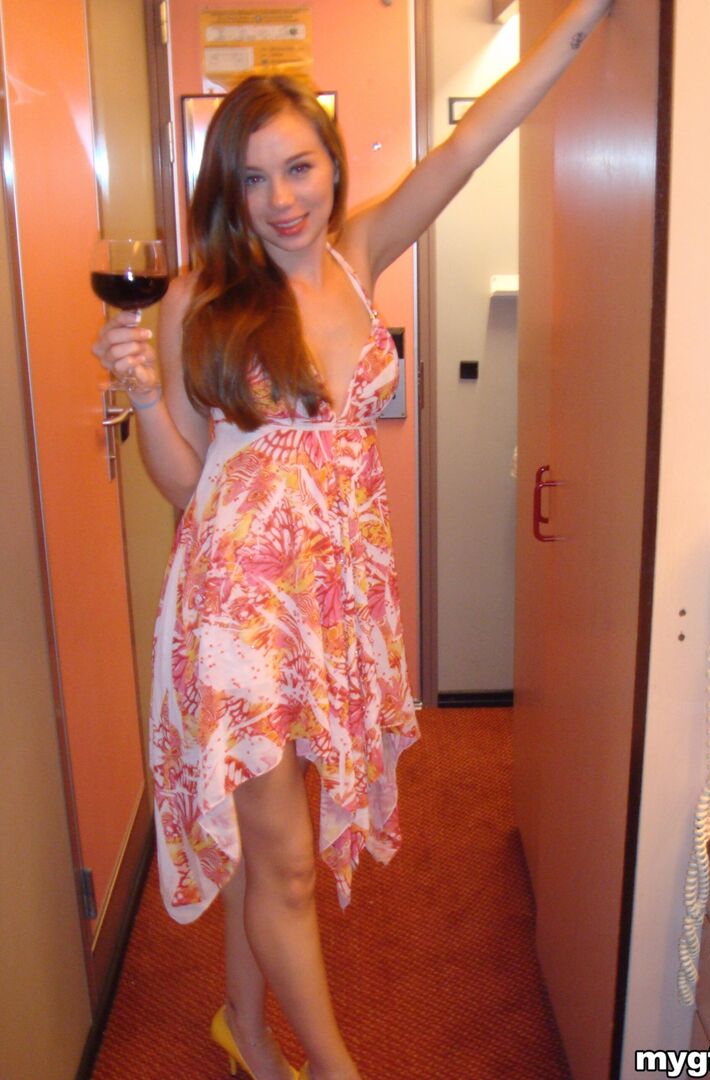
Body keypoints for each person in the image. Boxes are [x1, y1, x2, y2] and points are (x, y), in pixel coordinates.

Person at [92, 2, 612, 1077]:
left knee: (269, 841)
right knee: (283, 862)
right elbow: (185, 482)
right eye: (254, 179)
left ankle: (242, 1026)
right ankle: (334, 1070)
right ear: (225, 189)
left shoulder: (356, 253)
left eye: (300, 168)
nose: (283, 200)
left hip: (328, 598)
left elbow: (470, 143)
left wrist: (580, 20)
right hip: (238, 605)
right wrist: (141, 392)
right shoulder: (198, 297)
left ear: (332, 162)